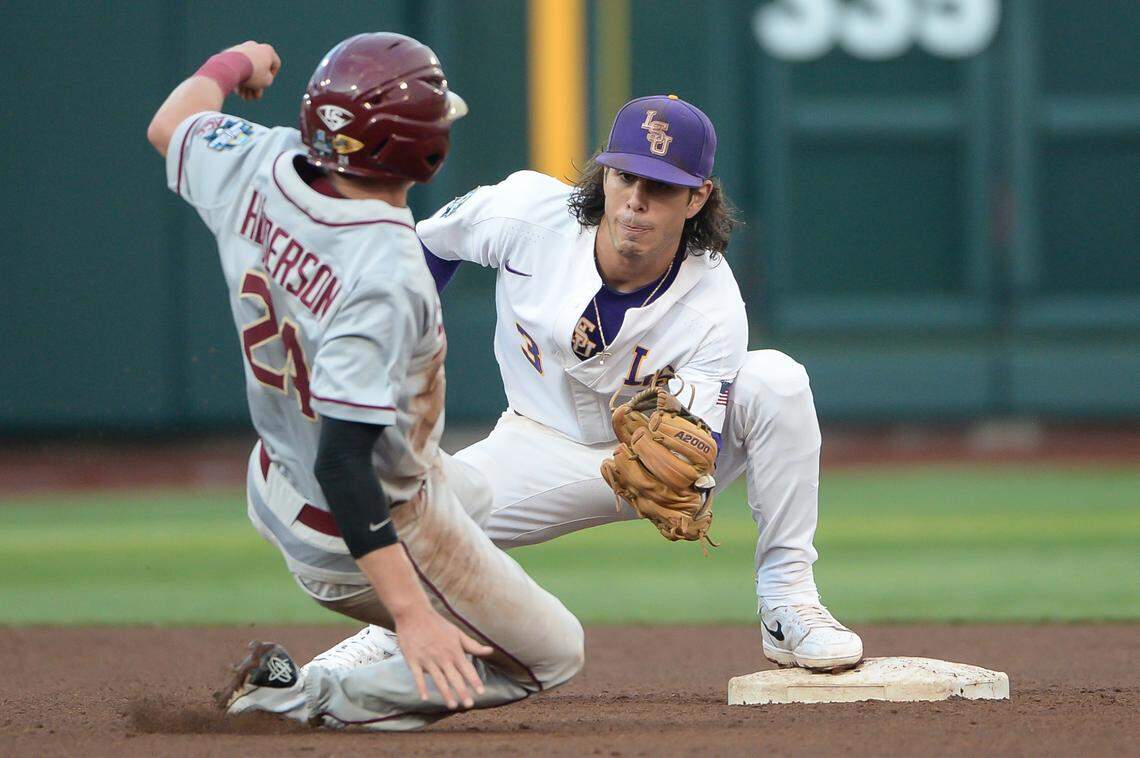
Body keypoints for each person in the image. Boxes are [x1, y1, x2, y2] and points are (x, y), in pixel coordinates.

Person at [146, 33, 583, 731]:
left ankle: (423, 604)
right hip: (353, 518)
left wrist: (232, 63)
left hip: (277, 475)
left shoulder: (261, 160)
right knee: (555, 654)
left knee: (479, 494)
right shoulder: (384, 272)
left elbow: (170, 124)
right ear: (424, 150)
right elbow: (346, 463)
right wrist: (412, 617)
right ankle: (297, 698)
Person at [415, 93, 865, 671]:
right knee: (411, 520)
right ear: (605, 174)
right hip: (531, 443)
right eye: (626, 176)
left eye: (661, 186)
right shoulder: (526, 213)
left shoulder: (714, 305)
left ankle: (789, 599)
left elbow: (691, 452)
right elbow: (426, 247)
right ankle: (377, 645)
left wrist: (691, 475)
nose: (636, 201)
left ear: (697, 197)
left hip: (639, 462)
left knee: (776, 379)